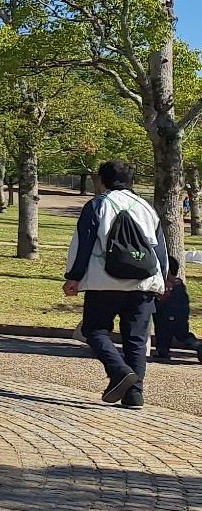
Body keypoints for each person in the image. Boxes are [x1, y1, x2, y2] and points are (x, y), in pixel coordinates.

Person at [64, 160, 173, 407]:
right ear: (131, 181)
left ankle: (120, 371)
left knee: (94, 330)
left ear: (102, 181)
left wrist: (74, 276)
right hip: (144, 282)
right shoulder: (146, 207)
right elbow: (161, 249)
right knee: (135, 338)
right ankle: (134, 394)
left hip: (105, 281)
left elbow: (83, 244)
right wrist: (163, 279)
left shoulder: (98, 205)